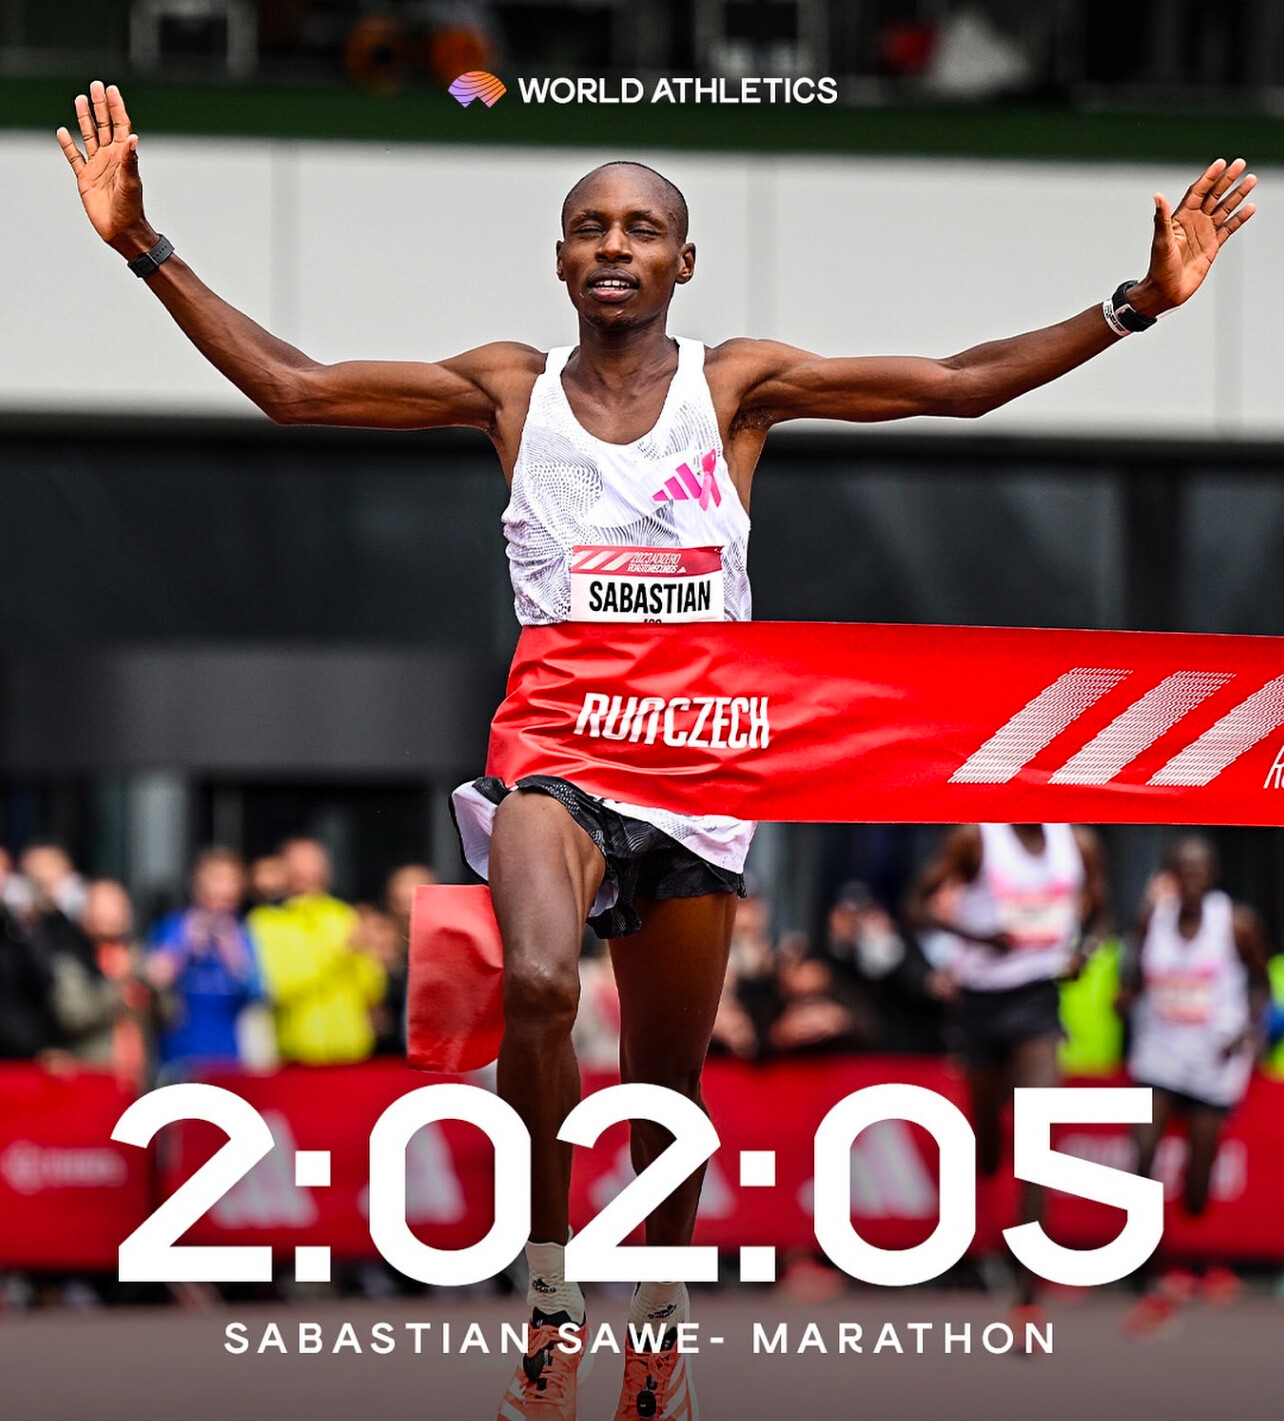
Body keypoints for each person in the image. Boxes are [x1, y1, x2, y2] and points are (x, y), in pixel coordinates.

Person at [56, 79, 1254, 1420]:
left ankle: (662, 1319)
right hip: (556, 743)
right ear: (560, 260)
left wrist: (1135, 305)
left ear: (685, 261)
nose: (614, 244)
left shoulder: (734, 387)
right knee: (539, 981)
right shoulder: (510, 390)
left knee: (661, 1093)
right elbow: (293, 388)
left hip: (697, 758)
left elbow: (956, 386)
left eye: (641, 228)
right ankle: (549, 1293)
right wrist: (144, 245)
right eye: (590, 227)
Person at [907, 824, 1108, 1326]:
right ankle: (971, 1241)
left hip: (1039, 998)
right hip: (980, 1003)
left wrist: (1084, 950)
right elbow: (917, 907)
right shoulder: (976, 840)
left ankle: (1027, 1292)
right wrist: (978, 936)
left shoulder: (1076, 843)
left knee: (1037, 1132)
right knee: (989, 1146)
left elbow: (1102, 909)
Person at [1119, 835, 1271, 1335]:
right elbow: (1134, 973)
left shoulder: (1236, 923)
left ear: (1213, 875)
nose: (1191, 879)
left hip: (1211, 1060)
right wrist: (1126, 995)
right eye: (1183, 870)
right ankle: (1147, 1268)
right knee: (1143, 1157)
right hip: (1159, 1055)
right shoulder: (1153, 918)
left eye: (1200, 870)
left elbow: (1261, 984)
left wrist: (1248, 1033)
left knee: (1197, 1190)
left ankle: (1191, 1255)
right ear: (1170, 874)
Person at [247, 837, 385, 1065]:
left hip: (350, 1052)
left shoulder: (343, 914)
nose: (307, 871)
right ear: (282, 869)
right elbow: (278, 985)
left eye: (314, 862)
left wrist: (372, 955)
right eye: (299, 863)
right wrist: (342, 954)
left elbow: (370, 990)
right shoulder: (266, 922)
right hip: (295, 1053)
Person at [146, 848, 263, 1070]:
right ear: (196, 884)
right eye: (215, 878)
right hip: (177, 1057)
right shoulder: (173, 927)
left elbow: (258, 994)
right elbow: (152, 983)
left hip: (228, 1058)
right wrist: (183, 947)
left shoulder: (243, 934)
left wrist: (235, 956)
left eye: (228, 881)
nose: (220, 888)